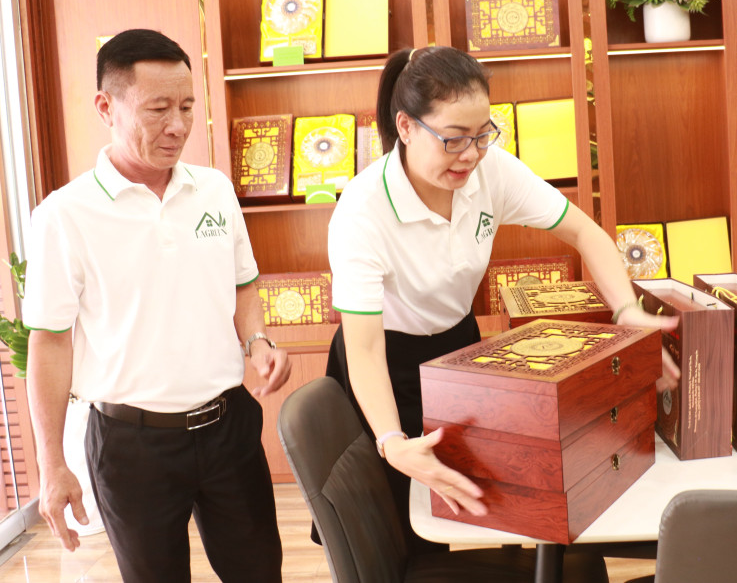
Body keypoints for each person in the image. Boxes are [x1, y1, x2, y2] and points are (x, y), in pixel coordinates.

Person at [326, 45, 679, 551]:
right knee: (396, 527)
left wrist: (627, 312)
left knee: (486, 507)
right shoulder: (363, 210)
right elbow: (363, 349)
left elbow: (586, 233)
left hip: (458, 348)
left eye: (482, 135)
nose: (470, 155)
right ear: (405, 127)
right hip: (385, 362)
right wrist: (391, 441)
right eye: (453, 139)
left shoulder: (491, 172)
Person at [22, 29, 289, 583]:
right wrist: (51, 464)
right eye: (158, 108)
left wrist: (257, 342)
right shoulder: (63, 216)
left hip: (227, 426)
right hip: (131, 444)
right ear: (106, 107)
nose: (178, 126)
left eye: (187, 107)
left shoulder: (214, 190)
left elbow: (242, 285)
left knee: (260, 572)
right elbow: (49, 343)